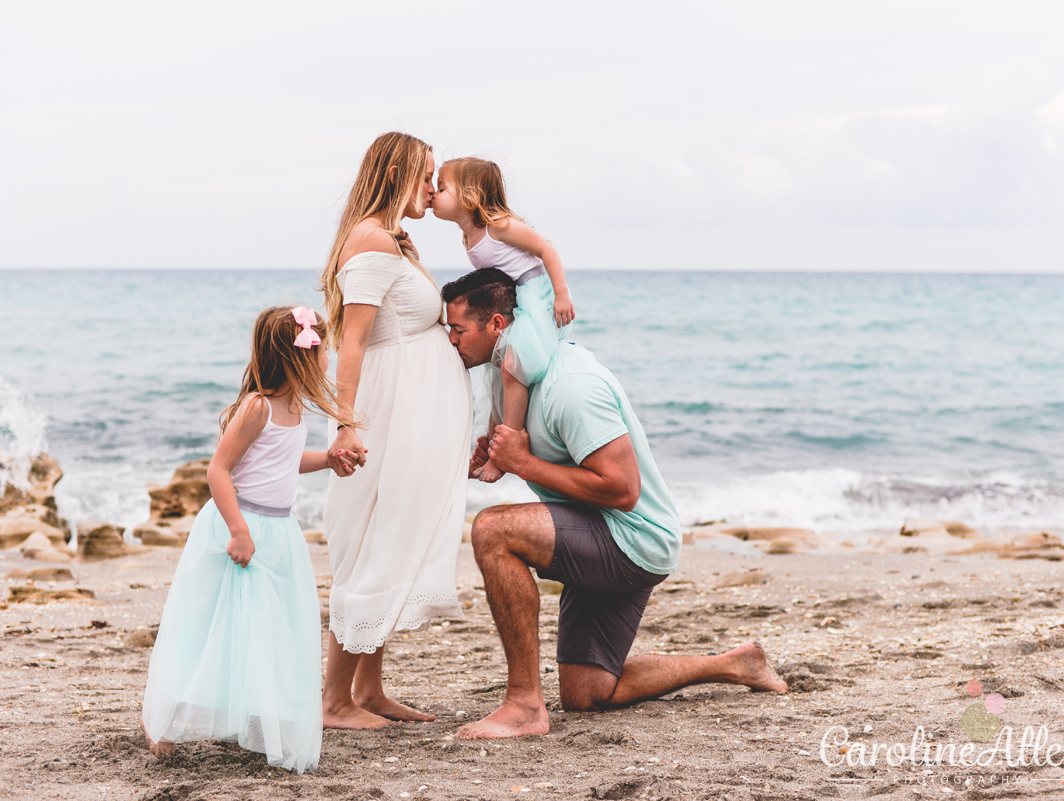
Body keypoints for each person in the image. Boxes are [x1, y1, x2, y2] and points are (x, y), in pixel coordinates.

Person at [442, 269, 788, 740]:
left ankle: (523, 704)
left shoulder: (571, 387)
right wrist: (492, 459)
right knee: (587, 694)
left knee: (492, 529)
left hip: (634, 538)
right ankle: (736, 663)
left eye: (458, 329)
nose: (450, 339)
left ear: (497, 325)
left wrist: (522, 463)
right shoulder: (509, 379)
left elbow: (623, 489)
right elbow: (517, 455)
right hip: (597, 528)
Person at [141, 305, 356, 773]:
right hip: (240, 529)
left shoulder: (294, 406)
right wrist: (238, 530)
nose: (329, 358)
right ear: (303, 355)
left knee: (267, 627)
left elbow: (283, 461)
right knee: (210, 625)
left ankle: (260, 722)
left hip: (278, 530)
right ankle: (165, 722)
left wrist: (329, 460)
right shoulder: (257, 406)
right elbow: (218, 470)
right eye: (324, 349)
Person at [318, 132, 473, 729]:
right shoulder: (374, 241)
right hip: (387, 416)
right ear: (399, 174)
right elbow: (350, 341)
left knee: (394, 537)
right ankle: (334, 701)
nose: (434, 190)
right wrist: (346, 425)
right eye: (427, 177)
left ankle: (370, 690)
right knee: (374, 546)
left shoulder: (391, 241)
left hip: (408, 415)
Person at [431, 157, 575, 484]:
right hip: (515, 298)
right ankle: (492, 445)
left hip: (535, 294)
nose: (433, 195)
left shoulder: (497, 225)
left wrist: (562, 293)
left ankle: (510, 446)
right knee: (494, 372)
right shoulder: (467, 234)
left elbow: (546, 250)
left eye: (441, 188)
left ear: (468, 195)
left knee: (512, 365)